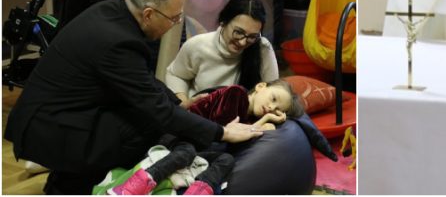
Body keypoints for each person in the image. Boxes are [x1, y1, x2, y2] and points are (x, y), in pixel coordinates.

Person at [3, 0, 263, 195]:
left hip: (57, 114)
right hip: (47, 128)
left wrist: (178, 101)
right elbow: (159, 111)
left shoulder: (113, 11)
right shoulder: (118, 42)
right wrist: (221, 132)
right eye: (173, 18)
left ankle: (68, 177)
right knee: (147, 126)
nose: (175, 24)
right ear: (148, 14)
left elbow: (143, 81)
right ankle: (75, 184)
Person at [106, 78, 301, 196]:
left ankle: (197, 192)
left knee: (227, 159)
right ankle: (133, 187)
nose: (270, 107)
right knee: (187, 152)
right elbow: (223, 131)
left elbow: (230, 146)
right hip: (179, 136)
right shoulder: (236, 94)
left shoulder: (249, 119)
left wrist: (265, 124)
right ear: (260, 86)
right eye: (273, 99)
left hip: (200, 148)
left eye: (276, 110)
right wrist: (265, 120)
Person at [165, 0, 279, 106]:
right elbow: (176, 75)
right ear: (223, 22)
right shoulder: (197, 46)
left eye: (252, 36)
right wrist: (184, 104)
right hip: (200, 113)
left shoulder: (262, 48)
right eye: (238, 32)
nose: (243, 42)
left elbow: (273, 88)